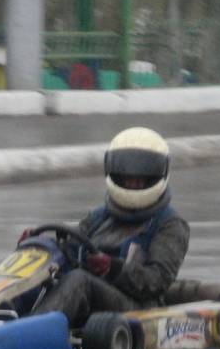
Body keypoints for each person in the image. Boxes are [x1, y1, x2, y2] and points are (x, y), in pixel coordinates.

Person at [28, 126, 189, 326]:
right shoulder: (99, 217)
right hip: (94, 302)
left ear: (158, 173)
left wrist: (113, 268)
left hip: (139, 309)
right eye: (127, 175)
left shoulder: (170, 225)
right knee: (37, 275)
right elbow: (69, 251)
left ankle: (31, 331)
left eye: (140, 178)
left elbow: (157, 281)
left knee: (79, 280)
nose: (132, 182)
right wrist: (38, 246)